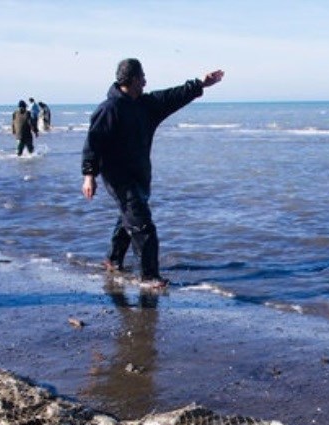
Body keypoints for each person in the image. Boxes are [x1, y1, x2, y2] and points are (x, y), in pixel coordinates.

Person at [81, 58, 225, 289]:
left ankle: (113, 260)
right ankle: (148, 277)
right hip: (118, 178)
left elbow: (173, 96)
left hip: (139, 174)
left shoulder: (145, 106)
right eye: (143, 77)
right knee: (142, 225)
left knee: (129, 217)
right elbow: (93, 143)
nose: (146, 81)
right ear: (134, 79)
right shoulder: (109, 109)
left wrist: (200, 84)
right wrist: (89, 175)